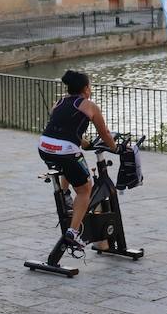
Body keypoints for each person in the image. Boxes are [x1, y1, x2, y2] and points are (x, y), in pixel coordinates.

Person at [37, 69, 116, 254]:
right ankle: (73, 233)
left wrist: (86, 144)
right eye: (90, 86)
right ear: (86, 88)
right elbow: (104, 133)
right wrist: (114, 148)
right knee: (85, 189)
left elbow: (65, 128)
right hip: (65, 151)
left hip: (44, 147)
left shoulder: (58, 102)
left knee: (70, 165)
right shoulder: (89, 105)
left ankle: (65, 194)